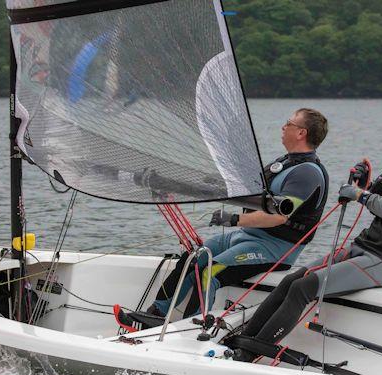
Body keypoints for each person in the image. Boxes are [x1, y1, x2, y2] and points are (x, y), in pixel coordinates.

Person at [232, 108, 382, 360]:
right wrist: (364, 186)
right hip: (367, 248)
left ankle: (249, 355)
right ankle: (242, 341)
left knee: (304, 287)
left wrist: (361, 195)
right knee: (291, 280)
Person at [121, 108, 330, 329]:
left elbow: (277, 217)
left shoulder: (307, 173)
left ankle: (188, 329)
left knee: (209, 272)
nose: (283, 126)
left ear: (301, 133)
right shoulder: (285, 162)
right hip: (246, 236)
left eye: (289, 123)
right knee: (192, 259)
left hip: (274, 250)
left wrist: (233, 219)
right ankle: (154, 315)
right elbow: (251, 190)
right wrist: (212, 183)